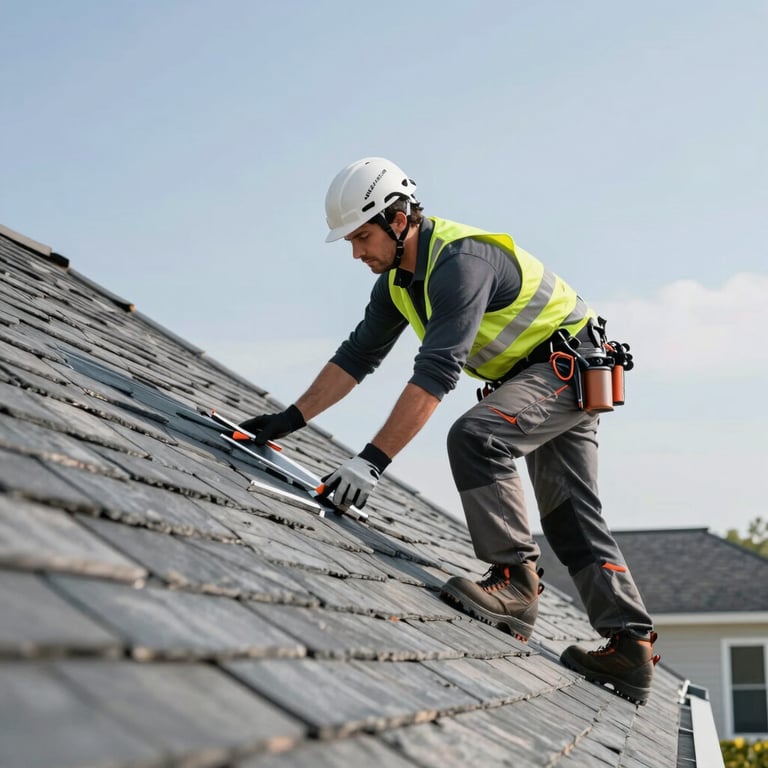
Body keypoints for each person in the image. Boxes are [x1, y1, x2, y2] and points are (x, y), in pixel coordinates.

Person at [240, 157, 659, 705]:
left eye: (362, 236)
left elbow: (437, 373)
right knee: (570, 514)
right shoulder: (396, 284)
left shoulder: (460, 263)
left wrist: (370, 461)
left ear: (397, 218)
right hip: (544, 375)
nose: (356, 253)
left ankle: (514, 582)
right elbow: (357, 357)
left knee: (477, 437)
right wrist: (284, 422)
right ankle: (630, 644)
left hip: (566, 366)